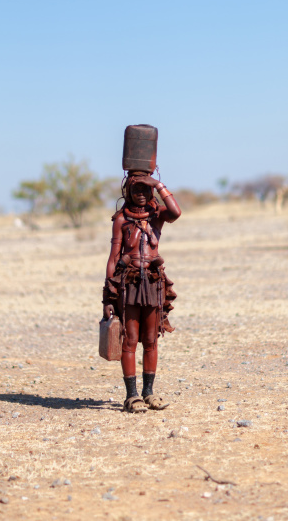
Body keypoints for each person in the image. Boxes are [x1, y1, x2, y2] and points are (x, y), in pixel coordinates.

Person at [103, 172, 181, 412]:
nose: (140, 194)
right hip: (129, 284)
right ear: (127, 192)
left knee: (150, 339)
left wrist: (158, 185)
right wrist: (107, 297)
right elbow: (113, 258)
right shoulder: (121, 221)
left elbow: (176, 212)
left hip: (154, 283)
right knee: (130, 339)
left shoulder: (157, 217)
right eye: (135, 189)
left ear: (151, 193)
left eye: (145, 190)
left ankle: (149, 393)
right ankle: (132, 396)